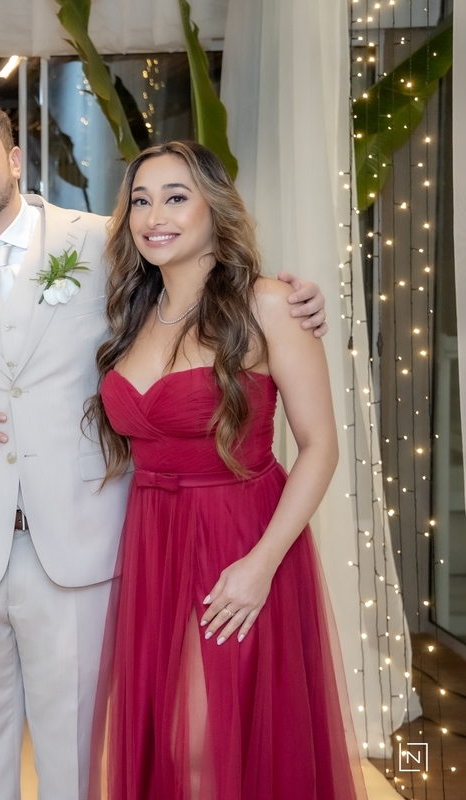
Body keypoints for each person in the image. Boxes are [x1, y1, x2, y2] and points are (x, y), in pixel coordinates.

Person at [0, 99, 330, 800]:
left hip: (85, 537)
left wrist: (299, 296)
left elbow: (213, 285)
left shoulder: (108, 242)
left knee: (87, 749)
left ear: (14, 160)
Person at [83, 141, 364, 799]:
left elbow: (320, 445)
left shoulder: (269, 304)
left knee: (208, 745)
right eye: (141, 201)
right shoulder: (133, 313)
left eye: (176, 197)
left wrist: (261, 565)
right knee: (168, 744)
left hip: (237, 539)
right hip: (154, 541)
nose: (155, 216)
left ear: (215, 208)